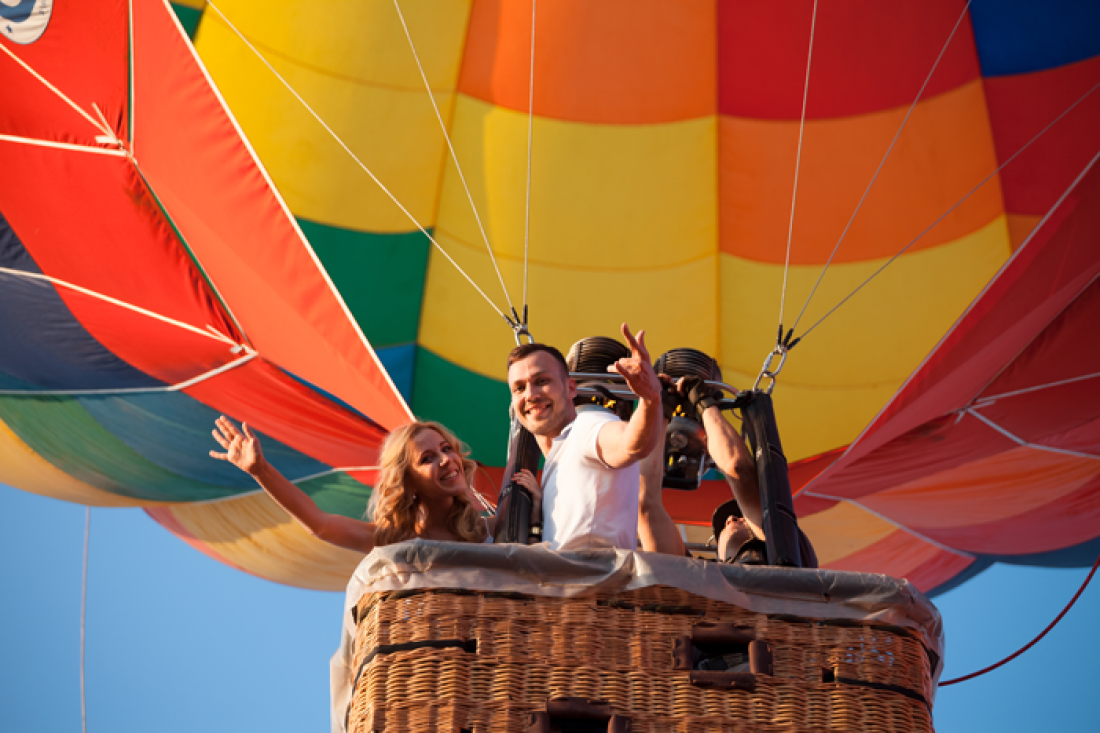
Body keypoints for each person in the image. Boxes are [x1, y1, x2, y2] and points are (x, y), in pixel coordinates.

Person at [209, 416, 540, 553]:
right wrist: (260, 469)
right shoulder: (395, 542)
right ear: (407, 483)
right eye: (427, 459)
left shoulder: (489, 528)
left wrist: (538, 501)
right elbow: (321, 525)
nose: (445, 460)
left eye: (446, 449)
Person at [506, 323, 663, 550]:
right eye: (519, 388)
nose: (530, 395)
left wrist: (650, 398)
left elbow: (630, 445)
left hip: (592, 584)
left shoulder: (588, 426)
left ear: (571, 388)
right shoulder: (560, 454)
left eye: (542, 381)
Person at [638, 376, 818, 568]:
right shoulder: (698, 579)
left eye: (742, 517)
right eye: (739, 517)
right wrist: (659, 410)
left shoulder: (786, 549)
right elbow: (645, 502)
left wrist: (694, 405)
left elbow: (738, 468)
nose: (731, 519)